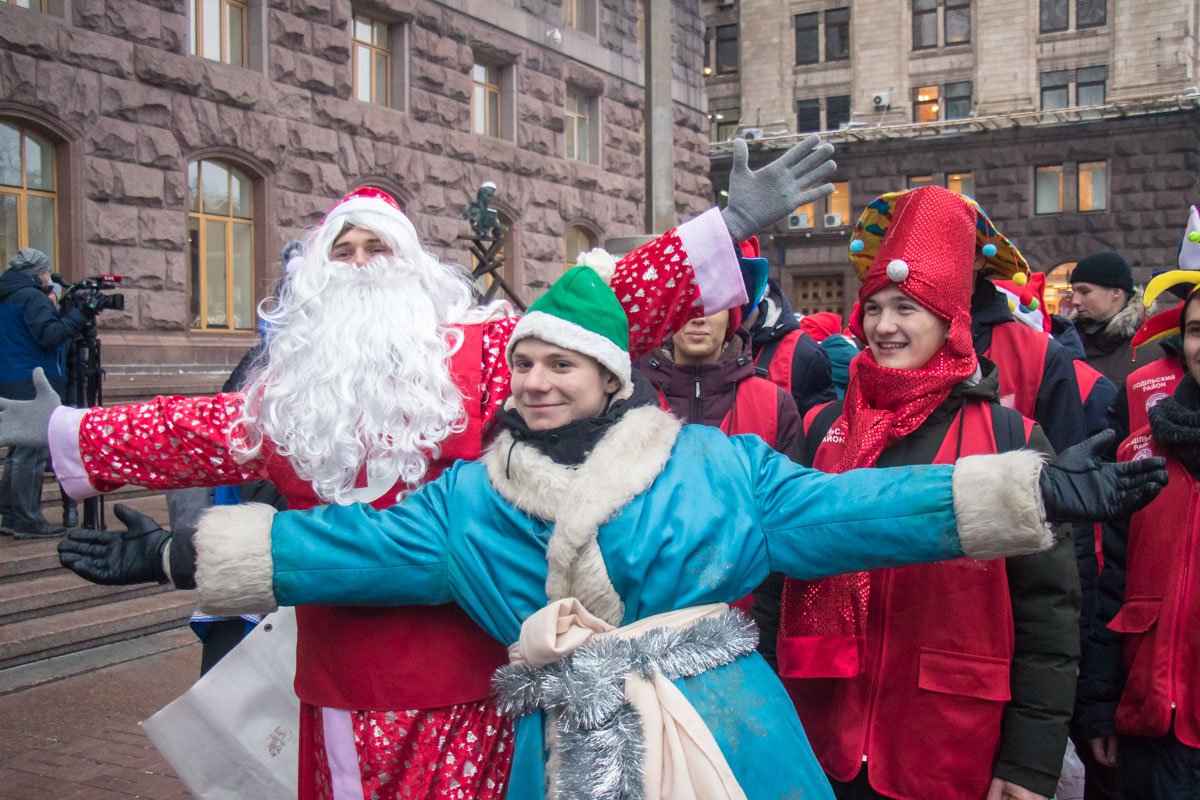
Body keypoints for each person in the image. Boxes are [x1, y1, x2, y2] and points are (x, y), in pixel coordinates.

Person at [14, 135, 839, 799]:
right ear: (314, 276)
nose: (365, 262)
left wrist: (726, 226)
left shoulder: (482, 359)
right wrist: (59, 432)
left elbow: (609, 303)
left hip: (481, 680)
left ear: (416, 270)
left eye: (383, 247)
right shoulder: (286, 403)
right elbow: (179, 429)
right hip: (344, 686)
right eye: (347, 249)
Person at [180, 262, 1163, 800]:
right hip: (568, 744)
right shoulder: (470, 502)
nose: (534, 382)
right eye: (522, 366)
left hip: (729, 729)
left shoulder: (720, 468)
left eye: (560, 366)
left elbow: (859, 512)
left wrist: (1031, 492)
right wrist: (180, 552)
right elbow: (344, 549)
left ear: (610, 376)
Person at [755, 187, 1080, 800]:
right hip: (820, 739)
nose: (883, 326)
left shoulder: (1010, 437)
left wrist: (1029, 763)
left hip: (949, 744)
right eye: (873, 307)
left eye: (905, 307)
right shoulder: (827, 428)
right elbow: (776, 580)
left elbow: (1049, 618)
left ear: (950, 319)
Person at [1076, 269, 1200, 800]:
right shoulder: (1142, 450)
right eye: (1197, 329)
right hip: (1152, 728)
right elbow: (1115, 582)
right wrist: (1100, 705)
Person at [0, 248, 91, 539]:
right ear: (37, 273)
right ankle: (28, 519)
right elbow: (50, 335)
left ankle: (11, 515)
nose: (47, 277)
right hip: (34, 380)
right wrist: (80, 315)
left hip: (12, 378)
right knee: (32, 451)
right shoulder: (31, 297)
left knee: (19, 450)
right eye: (45, 272)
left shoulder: (8, 295)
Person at [638, 307, 800, 453]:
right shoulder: (631, 398)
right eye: (688, 302)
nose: (699, 318)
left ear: (730, 317)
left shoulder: (774, 404)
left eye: (712, 305)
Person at [1067, 250, 1145, 386]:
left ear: (1116, 292)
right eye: (1074, 292)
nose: (1075, 301)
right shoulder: (1066, 343)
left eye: (1084, 291)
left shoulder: (1153, 346)